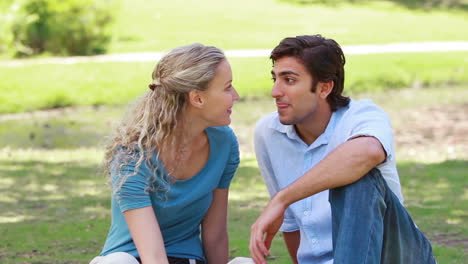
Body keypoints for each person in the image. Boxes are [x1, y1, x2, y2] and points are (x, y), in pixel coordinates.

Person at [249, 35, 436, 264]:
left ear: (325, 87)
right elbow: (291, 225)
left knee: (358, 177)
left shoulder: (363, 116)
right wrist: (283, 204)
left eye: (289, 80)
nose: (275, 92)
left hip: (394, 257)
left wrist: (283, 198)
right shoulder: (268, 133)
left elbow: (368, 151)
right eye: (275, 78)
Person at [90, 43, 240, 264]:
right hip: (135, 258)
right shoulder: (132, 154)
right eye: (227, 87)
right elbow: (153, 256)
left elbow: (215, 235)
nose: (235, 96)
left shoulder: (224, 143)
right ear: (197, 98)